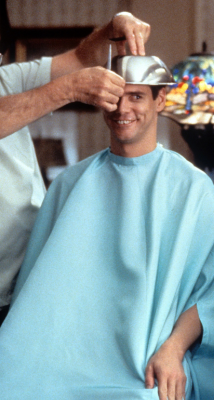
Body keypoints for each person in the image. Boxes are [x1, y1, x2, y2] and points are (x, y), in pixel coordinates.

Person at [0, 55, 214, 400]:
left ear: (160, 100)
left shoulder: (193, 189)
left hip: (146, 361)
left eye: (137, 96)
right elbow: (37, 296)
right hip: (65, 357)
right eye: (113, 97)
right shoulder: (70, 184)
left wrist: (172, 349)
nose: (122, 108)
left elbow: (208, 297)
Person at [0, 11, 150, 325]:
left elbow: (82, 57)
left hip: (26, 286)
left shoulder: (7, 79)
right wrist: (66, 89)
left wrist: (114, 27)